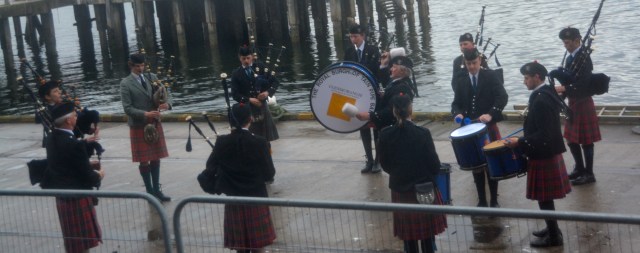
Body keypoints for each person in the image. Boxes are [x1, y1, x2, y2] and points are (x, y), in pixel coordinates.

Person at [504, 62, 571, 247]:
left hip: (543, 154)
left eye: (527, 78)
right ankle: (552, 228)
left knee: (544, 198)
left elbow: (545, 134)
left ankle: (554, 237)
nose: (524, 82)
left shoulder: (541, 99)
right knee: (545, 199)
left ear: (537, 77)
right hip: (547, 152)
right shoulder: (546, 92)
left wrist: (520, 142)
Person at [378, 94, 447, 253]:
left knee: (408, 239)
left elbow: (385, 164)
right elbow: (434, 164)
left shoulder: (385, 134)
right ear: (411, 110)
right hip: (423, 188)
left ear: (394, 111)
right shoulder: (422, 133)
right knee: (427, 237)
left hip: (400, 189)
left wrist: (398, 174)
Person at [211, 102, 276, 253]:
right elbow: (269, 173)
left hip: (234, 200)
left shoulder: (221, 142)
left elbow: (211, 169)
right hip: (256, 199)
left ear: (231, 121)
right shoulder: (260, 142)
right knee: (258, 248)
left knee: (241, 248)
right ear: (251, 119)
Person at [40, 102, 105, 253]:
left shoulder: (51, 139)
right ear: (69, 120)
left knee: (74, 246)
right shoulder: (74, 145)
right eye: (75, 115)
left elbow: (65, 161)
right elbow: (89, 177)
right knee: (82, 247)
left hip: (62, 196)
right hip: (77, 197)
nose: (77, 117)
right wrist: (99, 174)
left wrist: (84, 154)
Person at [451, 48, 508, 208]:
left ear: (480, 61)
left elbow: (502, 97)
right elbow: (456, 103)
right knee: (476, 166)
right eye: (468, 64)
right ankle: (481, 200)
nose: (471, 66)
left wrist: (490, 114)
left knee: (491, 164)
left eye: (474, 63)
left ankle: (494, 200)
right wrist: (458, 114)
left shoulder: (490, 76)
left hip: (487, 127)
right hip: (469, 128)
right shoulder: (461, 80)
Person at [120, 53, 171, 202]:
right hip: (139, 124)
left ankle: (157, 190)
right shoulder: (126, 83)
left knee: (156, 157)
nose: (141, 68)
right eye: (137, 66)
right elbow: (127, 108)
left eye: (142, 65)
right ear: (131, 65)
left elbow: (167, 92)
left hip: (154, 122)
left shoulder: (152, 77)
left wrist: (167, 104)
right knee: (144, 160)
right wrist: (145, 114)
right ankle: (149, 192)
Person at [554, 27, 601, 186]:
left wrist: (565, 89)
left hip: (583, 101)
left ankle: (589, 173)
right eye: (564, 43)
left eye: (567, 43)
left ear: (577, 40)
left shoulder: (584, 58)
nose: (565, 46)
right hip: (573, 102)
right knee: (571, 139)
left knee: (586, 141)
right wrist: (561, 95)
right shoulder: (570, 58)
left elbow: (584, 84)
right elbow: (567, 80)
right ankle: (579, 169)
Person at [343, 24, 382, 173]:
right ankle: (369, 160)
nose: (353, 39)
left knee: (376, 127)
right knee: (363, 127)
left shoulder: (372, 50)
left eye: (356, 36)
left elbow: (377, 71)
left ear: (363, 36)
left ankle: (378, 161)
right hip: (357, 93)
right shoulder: (349, 52)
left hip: (372, 91)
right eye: (351, 36)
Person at [231, 46, 280, 142]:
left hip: (262, 106)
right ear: (239, 58)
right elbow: (235, 94)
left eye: (248, 58)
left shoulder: (261, 67)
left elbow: (275, 82)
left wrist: (267, 92)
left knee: (266, 140)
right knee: (251, 139)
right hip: (247, 109)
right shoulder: (236, 73)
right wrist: (249, 99)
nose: (246, 61)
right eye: (243, 58)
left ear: (252, 57)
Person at [356, 55, 415, 130]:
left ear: (402, 71)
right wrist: (383, 65)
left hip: (394, 129)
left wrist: (371, 116)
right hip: (388, 126)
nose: (391, 69)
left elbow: (392, 110)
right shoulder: (397, 81)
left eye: (394, 67)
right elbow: (385, 81)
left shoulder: (403, 87)